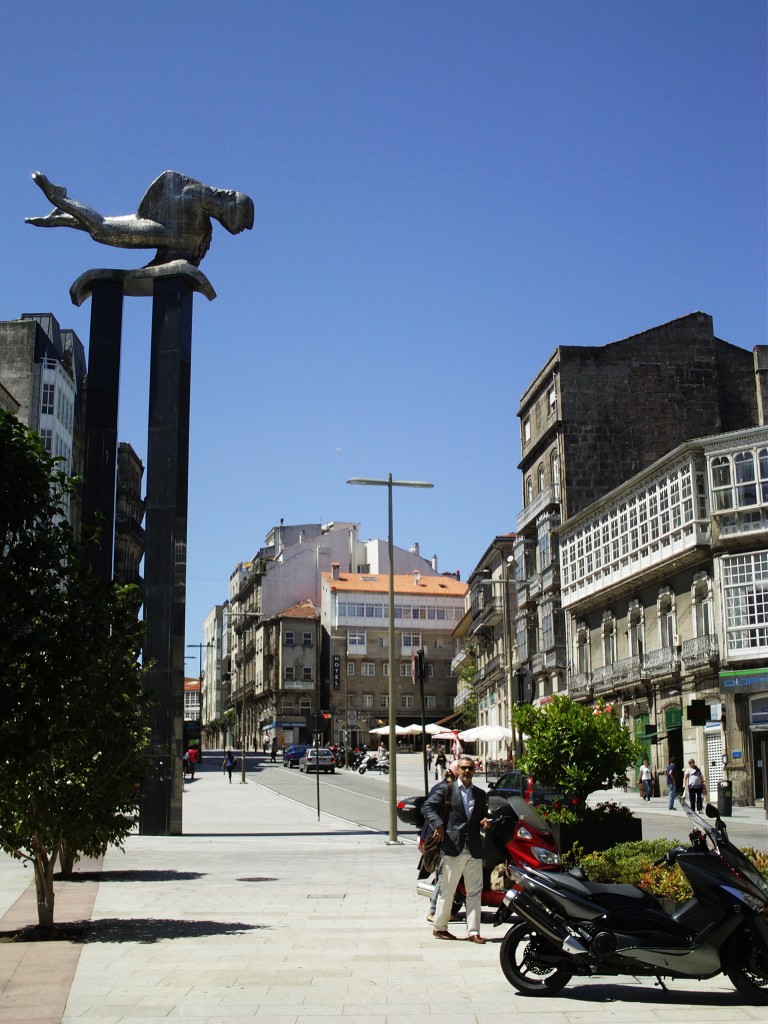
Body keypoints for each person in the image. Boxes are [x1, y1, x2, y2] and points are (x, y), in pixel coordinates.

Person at [26, 170, 254, 267]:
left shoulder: (204, 227)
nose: (243, 227)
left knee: (102, 230)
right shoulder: (196, 196)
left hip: (163, 235)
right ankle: (59, 199)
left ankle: (65, 215)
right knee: (103, 230)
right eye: (244, 218)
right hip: (156, 226)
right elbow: (169, 182)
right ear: (232, 204)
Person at [422, 756, 491, 944]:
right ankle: (440, 928)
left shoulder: (479, 793)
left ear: (474, 770)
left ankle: (473, 932)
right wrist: (438, 825)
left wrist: (485, 820)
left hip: (474, 848)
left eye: (470, 768)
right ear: (457, 770)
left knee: (475, 892)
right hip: (453, 847)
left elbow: (481, 814)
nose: (467, 771)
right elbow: (427, 806)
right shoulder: (447, 790)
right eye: (463, 768)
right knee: (448, 890)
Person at [423, 764, 459, 923]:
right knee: (443, 876)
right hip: (441, 838)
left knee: (443, 876)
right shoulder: (445, 789)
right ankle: (433, 911)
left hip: (442, 837)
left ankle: (443, 909)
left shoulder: (445, 786)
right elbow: (428, 810)